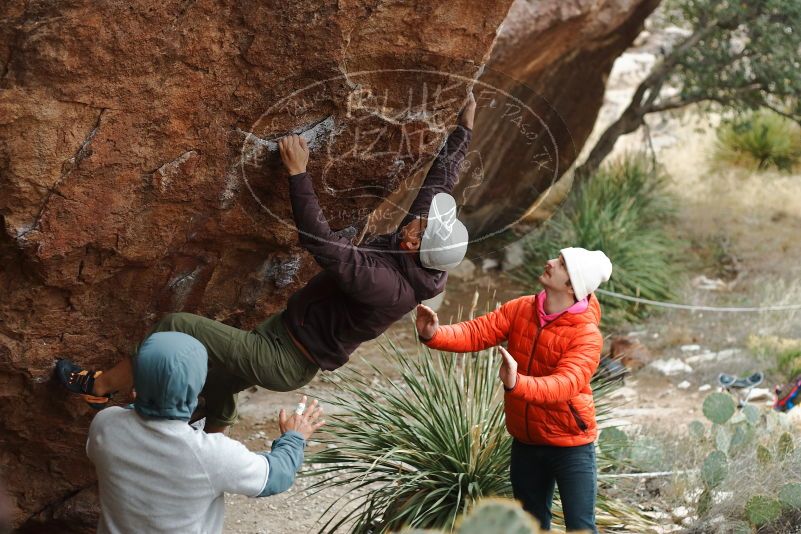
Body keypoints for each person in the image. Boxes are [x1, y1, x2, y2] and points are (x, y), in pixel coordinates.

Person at [57, 93, 476, 433]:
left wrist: (298, 174)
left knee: (177, 326)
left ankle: (99, 387)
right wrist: (464, 130)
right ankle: (211, 433)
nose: (418, 219)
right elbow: (438, 182)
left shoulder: (388, 286)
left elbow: (324, 244)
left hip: (285, 359)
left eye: (421, 225)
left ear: (414, 244)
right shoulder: (417, 251)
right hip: (282, 335)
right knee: (217, 384)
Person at [415, 247, 612, 533]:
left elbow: (565, 385)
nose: (549, 262)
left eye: (560, 264)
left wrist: (517, 383)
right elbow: (476, 332)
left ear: (572, 286)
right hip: (526, 441)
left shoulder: (586, 335)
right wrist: (434, 334)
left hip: (571, 445)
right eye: (555, 257)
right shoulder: (521, 308)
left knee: (581, 527)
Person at [86, 331, 324, 534]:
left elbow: (137, 420)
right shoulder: (213, 455)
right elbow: (275, 476)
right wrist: (294, 438)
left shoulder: (106, 424)